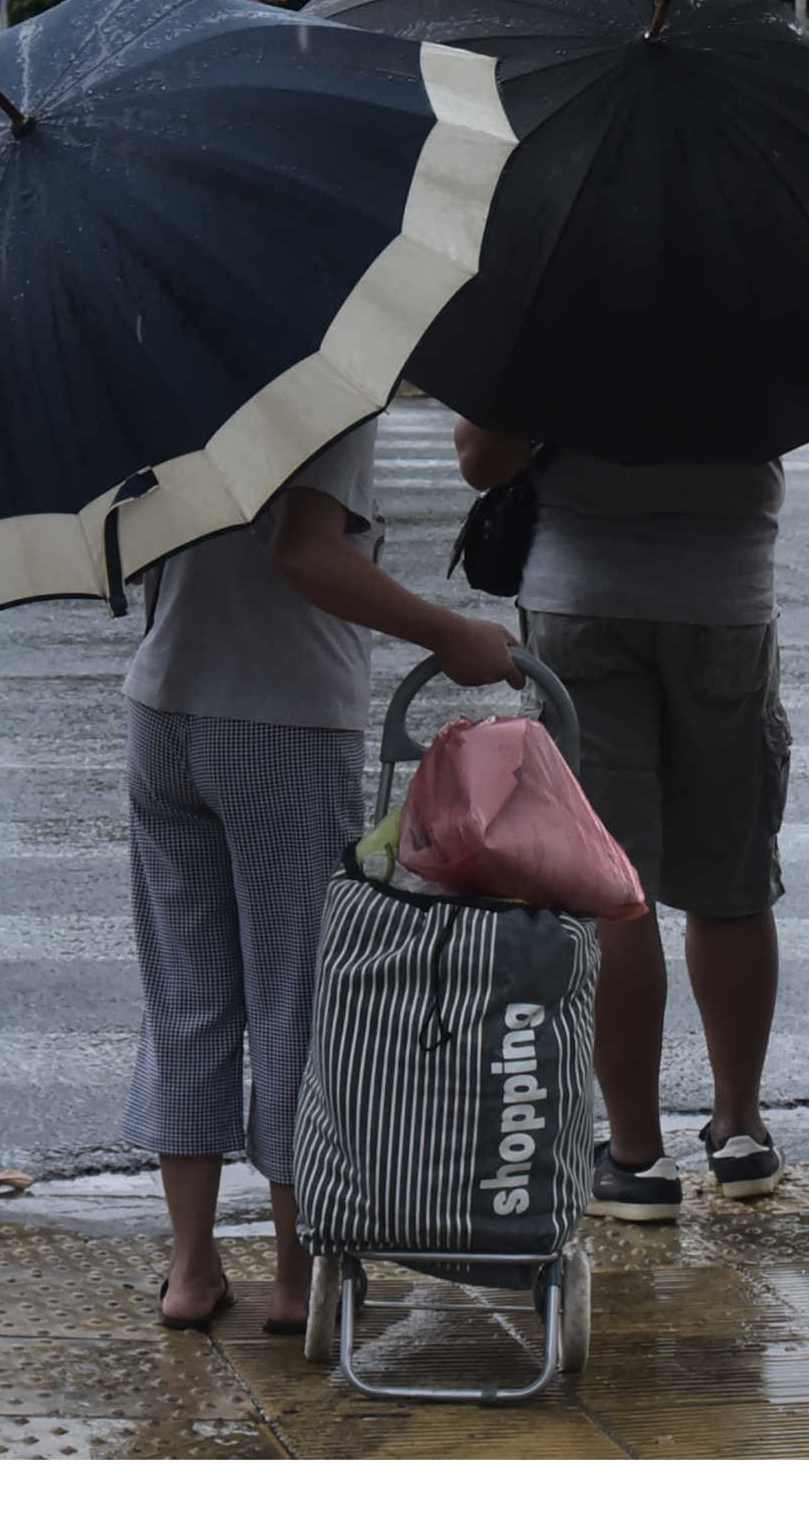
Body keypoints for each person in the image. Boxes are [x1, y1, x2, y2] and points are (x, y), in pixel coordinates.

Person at [454, 415, 809, 1220]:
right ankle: (740, 1132)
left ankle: (634, 1157)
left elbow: (483, 458)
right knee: (733, 883)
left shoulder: (562, 294)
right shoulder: (774, 289)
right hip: (725, 602)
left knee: (612, 890)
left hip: (580, 604)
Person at [120, 419, 521, 1333]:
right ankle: (298, 1282)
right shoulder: (320, 387)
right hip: (284, 719)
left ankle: (191, 1269)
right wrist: (451, 632)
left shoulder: (173, 371)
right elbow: (306, 551)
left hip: (163, 711)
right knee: (296, 992)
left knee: (186, 993)